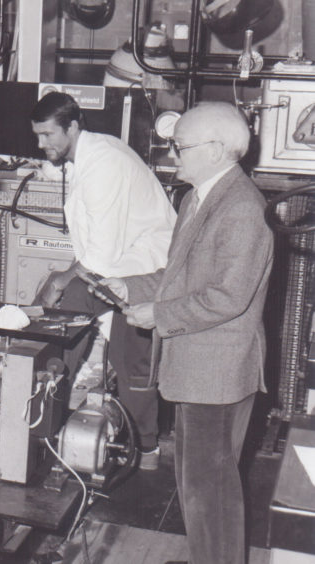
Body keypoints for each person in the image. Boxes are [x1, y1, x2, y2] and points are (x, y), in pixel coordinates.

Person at [102, 102, 273, 564]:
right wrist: (132, 285)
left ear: (216, 150)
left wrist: (159, 316)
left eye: (181, 147)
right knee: (197, 485)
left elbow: (228, 297)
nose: (172, 154)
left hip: (217, 371)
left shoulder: (241, 208)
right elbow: (180, 274)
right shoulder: (197, 198)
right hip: (196, 365)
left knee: (210, 493)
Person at [29, 92, 177, 469]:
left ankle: (145, 448)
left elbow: (102, 255)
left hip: (144, 268)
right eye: (38, 135)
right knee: (59, 325)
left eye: (48, 135)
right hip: (117, 263)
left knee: (130, 362)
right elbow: (95, 243)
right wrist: (59, 281)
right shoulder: (87, 156)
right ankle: (44, 421)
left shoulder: (104, 163)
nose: (41, 144)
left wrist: (60, 280)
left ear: (73, 127)